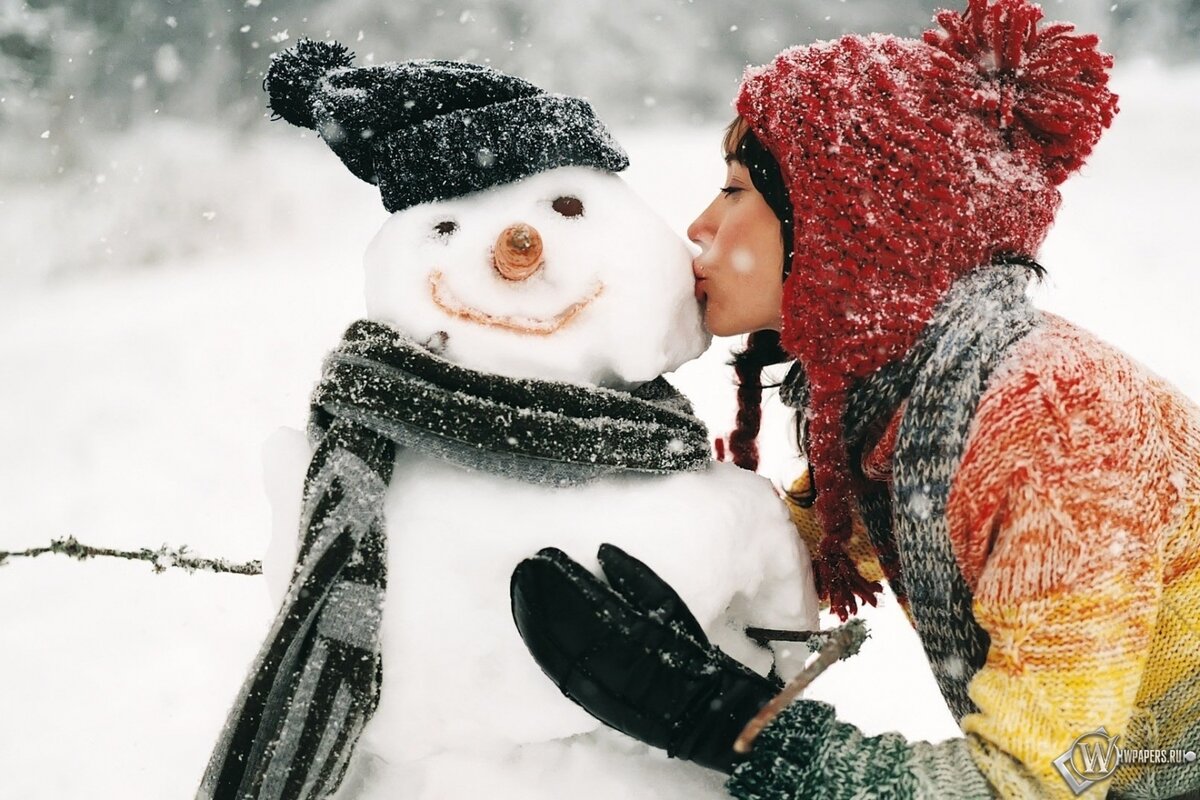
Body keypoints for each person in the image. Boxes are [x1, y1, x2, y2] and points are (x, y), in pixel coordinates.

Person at [509, 0, 1200, 797]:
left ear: (848, 225)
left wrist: (730, 727)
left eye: (735, 190)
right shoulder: (907, 404)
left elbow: (1035, 785)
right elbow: (787, 541)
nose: (698, 226)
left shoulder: (1051, 426)